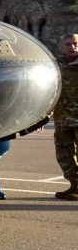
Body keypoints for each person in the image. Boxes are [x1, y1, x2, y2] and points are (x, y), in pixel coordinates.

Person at [53, 32, 78, 201]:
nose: (72, 47)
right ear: (62, 47)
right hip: (62, 119)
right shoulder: (55, 65)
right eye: (68, 44)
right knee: (64, 155)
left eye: (75, 43)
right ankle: (75, 185)